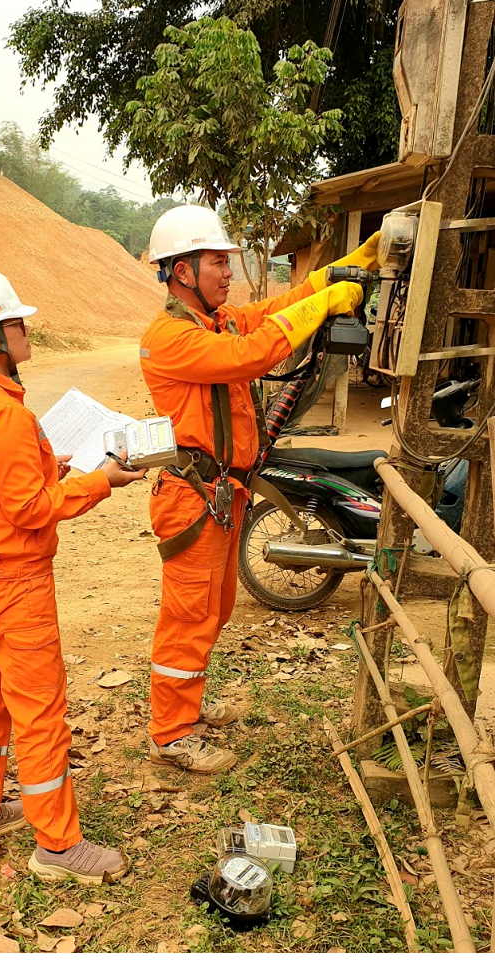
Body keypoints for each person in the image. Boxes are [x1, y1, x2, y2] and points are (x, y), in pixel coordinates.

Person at [140, 205, 380, 773]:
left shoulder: (214, 322)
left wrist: (337, 273)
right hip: (194, 497)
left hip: (223, 492)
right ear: (181, 272)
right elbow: (251, 354)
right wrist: (324, 306)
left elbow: (272, 311)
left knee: (214, 610)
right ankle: (170, 733)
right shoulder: (170, 337)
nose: (229, 272)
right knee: (189, 616)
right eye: (218, 262)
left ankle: (188, 708)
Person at [0, 266, 147, 882]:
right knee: (38, 706)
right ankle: (57, 845)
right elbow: (27, 508)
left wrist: (51, 463)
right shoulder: (5, 414)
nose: (24, 328)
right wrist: (100, 481)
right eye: (14, 321)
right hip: (14, 578)